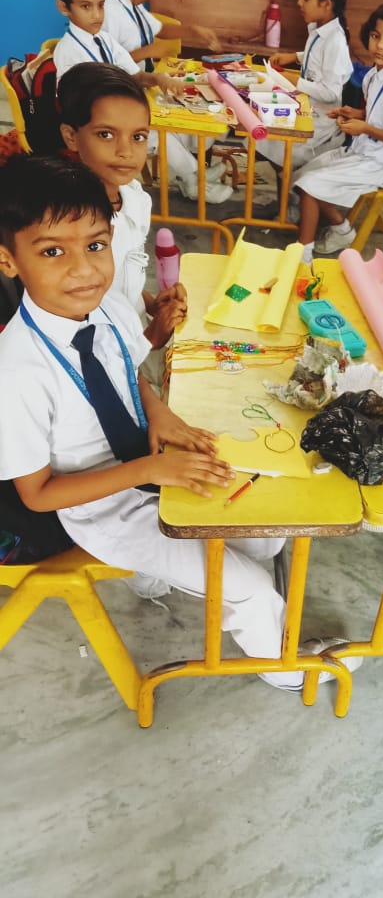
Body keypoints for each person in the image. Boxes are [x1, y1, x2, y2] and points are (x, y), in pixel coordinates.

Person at [0, 155, 360, 691]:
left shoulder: (106, 308)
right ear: (8, 260)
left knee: (264, 534)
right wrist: (151, 469)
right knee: (251, 586)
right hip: (102, 509)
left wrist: (160, 412)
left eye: (95, 245)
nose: (83, 269)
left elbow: (127, 372)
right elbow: (37, 495)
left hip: (149, 465)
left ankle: (183, 577)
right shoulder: (15, 372)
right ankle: (283, 670)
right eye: (53, 251)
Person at [50, 0, 231, 205]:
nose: (97, 15)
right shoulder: (68, 52)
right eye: (86, 7)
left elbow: (133, 73)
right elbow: (78, 104)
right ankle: (193, 180)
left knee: (165, 115)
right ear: (64, 7)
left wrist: (157, 78)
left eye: (101, 5)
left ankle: (193, 174)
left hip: (116, 113)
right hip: (96, 124)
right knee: (154, 130)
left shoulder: (104, 39)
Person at [57, 63, 187, 356]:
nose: (126, 152)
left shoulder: (134, 198)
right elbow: (77, 337)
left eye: (138, 137)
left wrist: (152, 305)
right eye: (106, 134)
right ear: (71, 137)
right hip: (106, 359)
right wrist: (149, 339)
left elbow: (122, 280)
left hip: (133, 334)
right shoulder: (67, 226)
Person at [293, 1, 383, 265]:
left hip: (378, 163)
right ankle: (342, 230)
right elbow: (377, 113)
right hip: (360, 151)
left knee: (310, 186)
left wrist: (366, 128)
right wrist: (355, 113)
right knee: (305, 175)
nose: (380, 45)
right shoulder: (373, 76)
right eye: (375, 36)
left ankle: (302, 255)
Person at [262, 0, 353, 173]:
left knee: (267, 132)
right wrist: (294, 57)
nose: (299, 2)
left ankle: (287, 181)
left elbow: (331, 92)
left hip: (320, 124)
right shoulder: (319, 29)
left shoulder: (335, 41)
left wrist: (296, 82)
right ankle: (284, 177)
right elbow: (318, 57)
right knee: (260, 119)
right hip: (307, 108)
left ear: (326, 3)